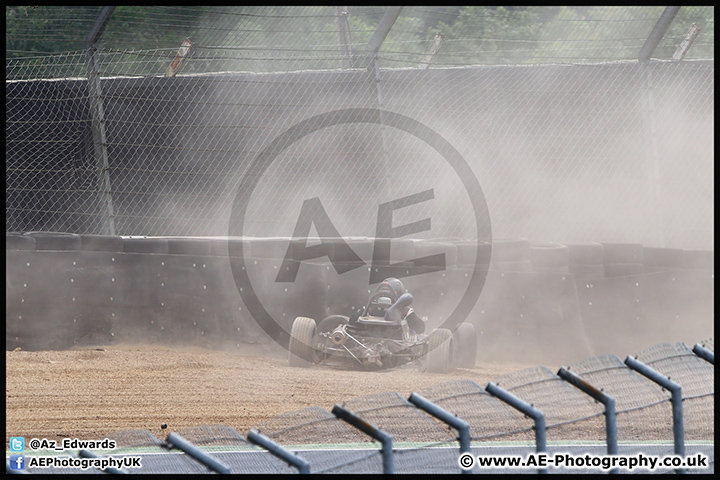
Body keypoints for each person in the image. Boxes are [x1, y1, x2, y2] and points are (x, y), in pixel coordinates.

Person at [352, 277, 426, 334]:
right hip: (393, 344)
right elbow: (420, 328)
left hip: (368, 343)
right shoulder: (404, 310)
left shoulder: (371, 308)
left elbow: (352, 321)